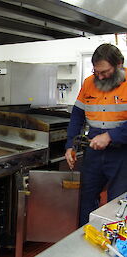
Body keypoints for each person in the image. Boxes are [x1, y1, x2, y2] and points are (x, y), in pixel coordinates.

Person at [65, 43, 127, 227]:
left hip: (122, 154)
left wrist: (111, 136)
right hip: (93, 151)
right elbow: (77, 116)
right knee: (86, 199)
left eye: (104, 72)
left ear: (119, 65)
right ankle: (85, 239)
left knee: (118, 203)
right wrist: (70, 145)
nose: (99, 76)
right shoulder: (88, 83)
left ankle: (114, 247)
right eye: (96, 72)